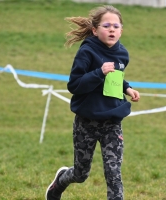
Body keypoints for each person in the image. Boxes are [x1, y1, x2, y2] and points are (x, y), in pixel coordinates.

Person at [45, 5, 140, 200]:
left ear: (121, 30)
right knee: (81, 174)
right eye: (106, 25)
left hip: (112, 122)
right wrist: (99, 72)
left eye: (116, 26)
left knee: (114, 174)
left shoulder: (123, 54)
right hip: (86, 122)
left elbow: (115, 79)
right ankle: (59, 183)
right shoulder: (87, 52)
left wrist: (127, 88)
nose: (112, 29)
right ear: (95, 30)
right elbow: (74, 85)